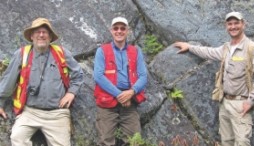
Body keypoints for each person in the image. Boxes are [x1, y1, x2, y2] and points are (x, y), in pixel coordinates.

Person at [174, 12, 254, 146]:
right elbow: (209, 52)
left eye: (236, 23)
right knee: (226, 141)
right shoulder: (226, 48)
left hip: (241, 103)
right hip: (224, 102)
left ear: (243, 24)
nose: (233, 27)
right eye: (230, 24)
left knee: (242, 142)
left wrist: (251, 101)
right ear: (226, 26)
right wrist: (190, 47)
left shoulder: (252, 49)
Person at [0, 17, 83, 146]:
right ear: (31, 36)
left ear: (50, 37)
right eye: (37, 32)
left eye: (45, 32)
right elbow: (8, 80)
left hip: (57, 113)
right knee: (17, 138)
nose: (41, 35)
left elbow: (78, 74)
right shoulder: (22, 54)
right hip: (30, 112)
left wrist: (71, 93)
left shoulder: (62, 53)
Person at [93, 16, 147, 146]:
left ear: (127, 31)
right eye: (116, 28)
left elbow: (143, 76)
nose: (119, 31)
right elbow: (98, 76)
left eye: (122, 28)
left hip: (130, 101)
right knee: (105, 141)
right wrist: (120, 95)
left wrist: (132, 92)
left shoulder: (135, 51)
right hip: (107, 100)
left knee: (135, 141)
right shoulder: (102, 51)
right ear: (111, 31)